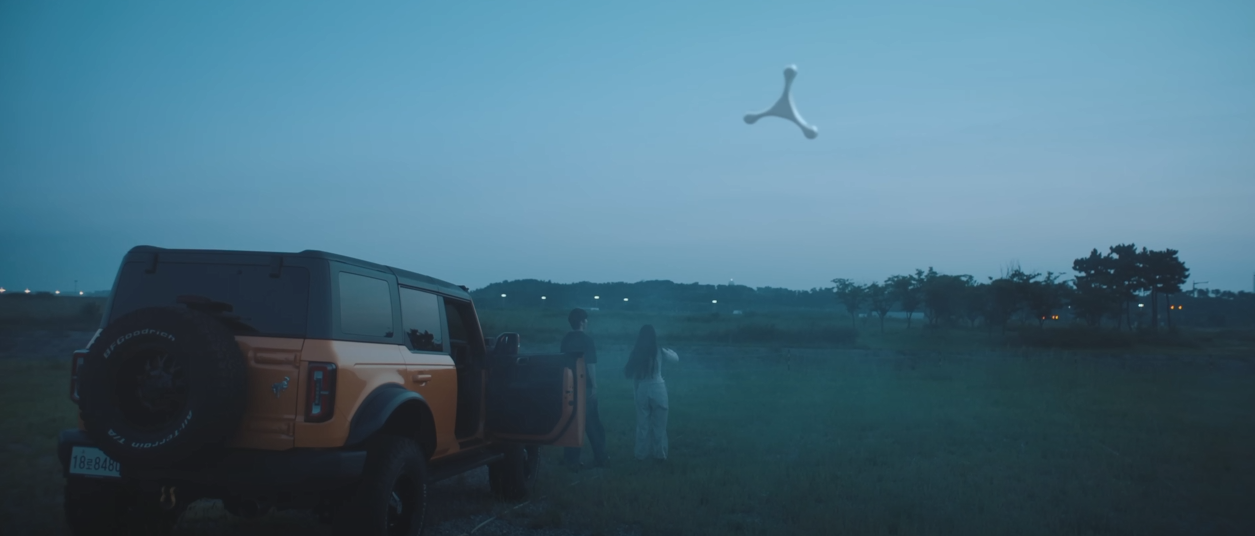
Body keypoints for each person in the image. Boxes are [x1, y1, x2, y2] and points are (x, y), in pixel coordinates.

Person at [560, 308, 608, 469]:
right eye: (586, 320)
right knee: (593, 424)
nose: (587, 322)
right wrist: (594, 385)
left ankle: (571, 459)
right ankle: (601, 458)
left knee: (571, 422)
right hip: (585, 386)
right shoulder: (587, 340)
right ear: (581, 322)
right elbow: (591, 365)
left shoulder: (566, 340)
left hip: (569, 385)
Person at [623, 324, 679, 462]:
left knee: (643, 425)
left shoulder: (637, 352)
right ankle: (660, 454)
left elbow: (631, 375)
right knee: (660, 425)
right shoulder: (658, 350)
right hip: (658, 388)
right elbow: (675, 359)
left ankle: (641, 454)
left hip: (642, 388)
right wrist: (667, 349)